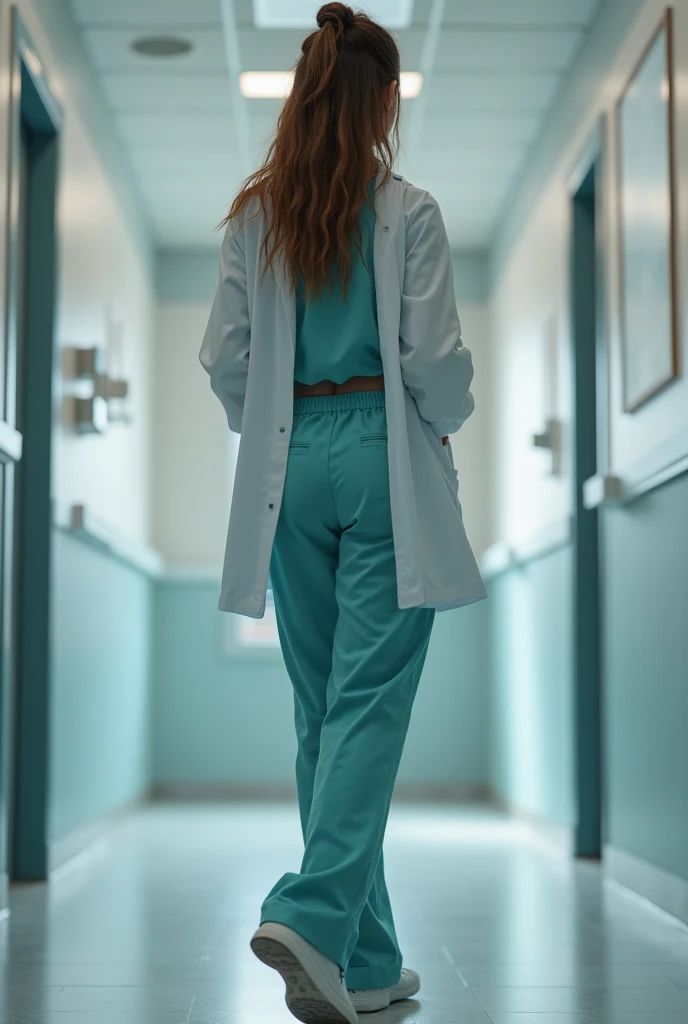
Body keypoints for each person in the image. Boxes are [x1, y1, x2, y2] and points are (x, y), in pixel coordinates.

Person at [200, 3, 486, 1020]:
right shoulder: (405, 211)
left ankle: (364, 961)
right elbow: (438, 372)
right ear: (379, 102)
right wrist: (447, 416)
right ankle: (314, 913)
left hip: (288, 469)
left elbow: (225, 364)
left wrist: (275, 418)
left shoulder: (254, 215)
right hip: (380, 461)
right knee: (367, 704)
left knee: (323, 708)